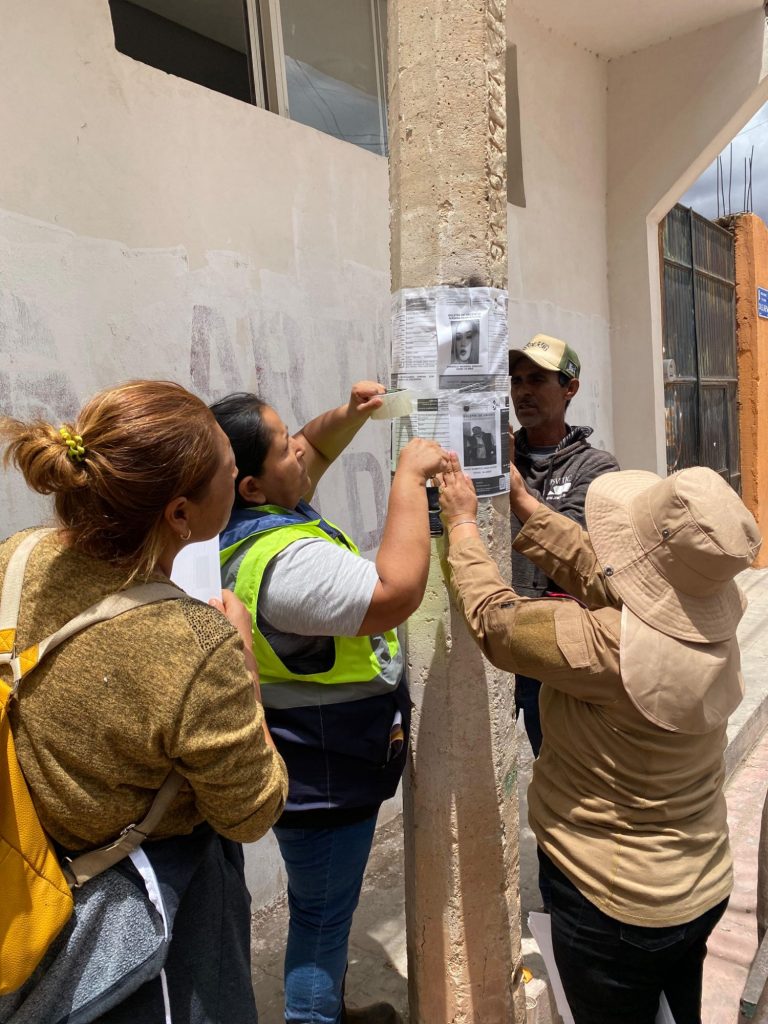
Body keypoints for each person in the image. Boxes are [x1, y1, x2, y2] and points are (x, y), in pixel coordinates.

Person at [0, 381, 287, 1024]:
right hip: (144, 917)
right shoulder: (194, 644)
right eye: (228, 470)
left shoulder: (16, 557)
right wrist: (244, 663)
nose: (237, 476)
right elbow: (252, 811)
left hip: (24, 868)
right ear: (181, 515)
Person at [438, 451, 760, 1024]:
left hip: (613, 903)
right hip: (701, 882)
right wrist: (526, 506)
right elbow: (611, 574)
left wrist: (462, 524)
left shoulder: (606, 648)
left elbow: (496, 620)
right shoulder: (709, 619)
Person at [210, 382, 449, 1024]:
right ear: (251, 485)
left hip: (319, 760)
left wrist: (350, 415)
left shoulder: (240, 516)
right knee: (320, 921)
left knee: (323, 905)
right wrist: (408, 480)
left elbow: (314, 444)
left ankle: (333, 1009)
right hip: (323, 769)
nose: (300, 449)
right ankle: (315, 1015)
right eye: (283, 448)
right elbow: (394, 592)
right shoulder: (285, 563)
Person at [509, 334, 619, 757]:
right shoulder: (501, 456)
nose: (523, 391)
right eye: (517, 380)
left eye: (537, 380)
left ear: (569, 388)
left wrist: (512, 484)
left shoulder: (596, 467)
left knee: (565, 762)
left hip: (560, 643)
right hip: (503, 632)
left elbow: (571, 542)